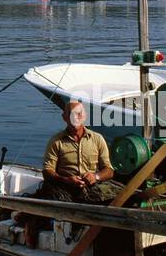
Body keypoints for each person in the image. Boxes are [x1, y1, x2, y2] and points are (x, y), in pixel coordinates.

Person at [17, 101, 124, 246]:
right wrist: (66, 179)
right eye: (71, 114)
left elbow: (109, 171)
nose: (76, 117)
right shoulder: (56, 142)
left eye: (79, 113)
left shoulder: (97, 139)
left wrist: (95, 176)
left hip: (90, 187)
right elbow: (47, 172)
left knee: (118, 198)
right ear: (64, 117)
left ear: (84, 116)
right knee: (58, 199)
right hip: (64, 186)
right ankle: (32, 220)